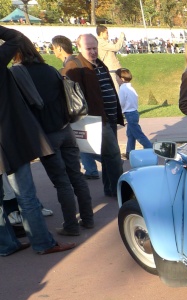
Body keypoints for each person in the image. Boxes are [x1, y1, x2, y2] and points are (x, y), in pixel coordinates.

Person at [0, 26, 75, 256]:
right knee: (26, 195)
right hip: (10, 138)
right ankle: (42, 243)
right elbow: (16, 37)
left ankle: (6, 244)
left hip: (8, 137)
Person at [13, 33, 94, 237]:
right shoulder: (50, 70)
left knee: (61, 181)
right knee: (76, 175)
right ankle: (88, 218)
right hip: (65, 128)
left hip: (46, 134)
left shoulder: (18, 73)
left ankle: (71, 225)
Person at [64, 33, 125, 198]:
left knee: (108, 156)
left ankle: (111, 189)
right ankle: (120, 190)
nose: (92, 52)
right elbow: (68, 94)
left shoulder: (99, 63)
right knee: (113, 155)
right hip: (95, 120)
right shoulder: (74, 65)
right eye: (88, 48)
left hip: (109, 117)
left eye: (94, 48)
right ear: (79, 48)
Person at [52, 34, 100, 180]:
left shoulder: (71, 65)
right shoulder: (73, 63)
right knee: (83, 142)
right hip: (83, 112)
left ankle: (101, 164)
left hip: (80, 112)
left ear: (59, 48)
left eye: (53, 48)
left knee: (85, 142)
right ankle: (91, 169)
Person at [117, 68, 152, 159]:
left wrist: (118, 112)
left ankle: (150, 148)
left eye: (117, 77)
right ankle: (129, 152)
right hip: (134, 112)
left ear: (122, 78)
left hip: (129, 113)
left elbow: (121, 102)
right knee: (130, 134)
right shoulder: (130, 88)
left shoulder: (122, 89)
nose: (116, 79)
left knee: (138, 134)